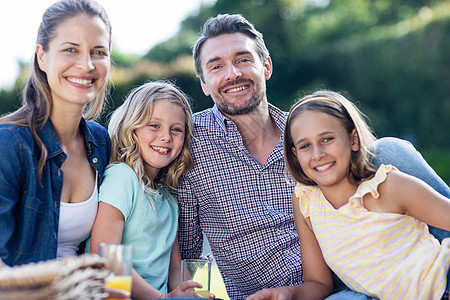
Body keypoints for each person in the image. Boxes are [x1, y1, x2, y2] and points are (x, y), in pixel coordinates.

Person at [175, 13, 450, 299]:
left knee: (389, 150)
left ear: (266, 66)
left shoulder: (306, 137)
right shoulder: (189, 144)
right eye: (216, 66)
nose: (232, 73)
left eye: (243, 59)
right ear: (205, 85)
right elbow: (186, 246)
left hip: (351, 280)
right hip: (278, 295)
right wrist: (193, 292)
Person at [250, 91, 450, 299]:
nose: (318, 154)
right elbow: (318, 283)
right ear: (295, 154)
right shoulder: (306, 202)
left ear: (353, 140)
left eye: (327, 139)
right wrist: (288, 294)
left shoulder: (387, 186)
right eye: (305, 146)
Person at [0, 0, 112, 266]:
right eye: (71, 49)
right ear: (42, 56)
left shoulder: (100, 141)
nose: (86, 65)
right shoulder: (9, 145)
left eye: (98, 52)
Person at [89, 81, 205, 299]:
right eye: (154, 125)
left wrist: (187, 294)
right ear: (131, 127)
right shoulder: (122, 177)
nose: (166, 137)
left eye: (176, 129)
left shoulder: (169, 199)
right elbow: (106, 256)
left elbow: (174, 271)